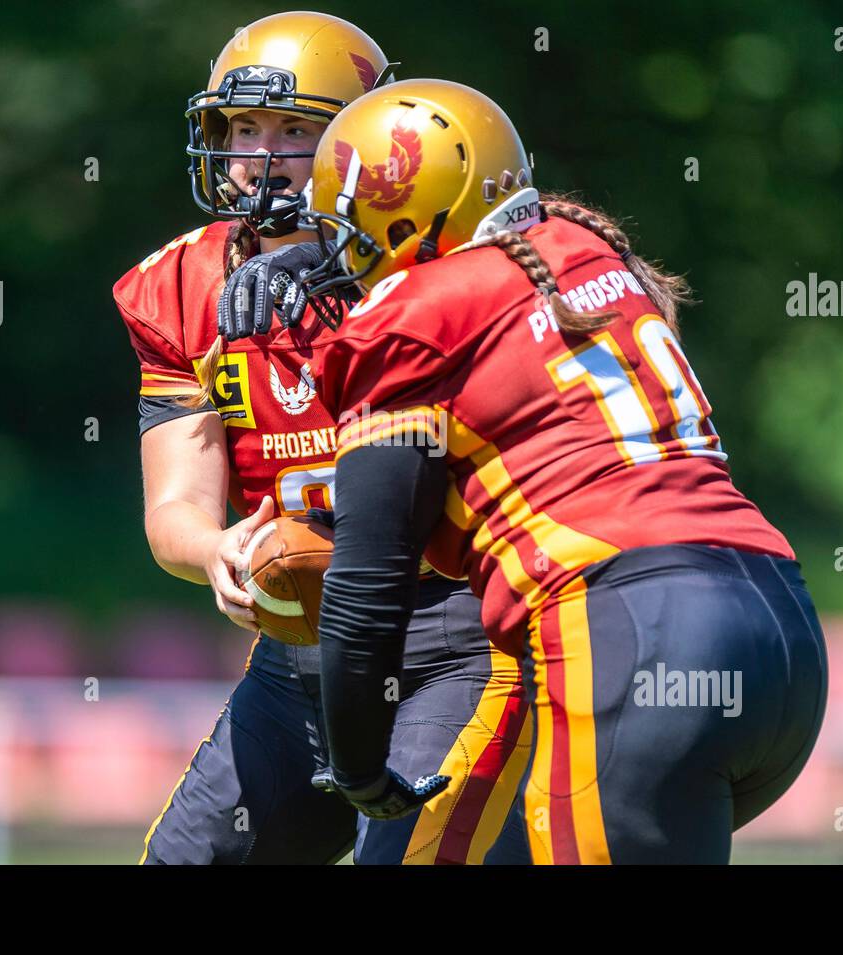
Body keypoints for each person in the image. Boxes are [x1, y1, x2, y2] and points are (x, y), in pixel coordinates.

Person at [292, 77, 829, 863]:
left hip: (629, 632)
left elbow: (367, 589)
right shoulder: (584, 251)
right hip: (777, 624)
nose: (338, 254)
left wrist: (358, 767)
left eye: (350, 227)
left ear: (409, 212)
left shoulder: (413, 313)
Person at [114, 15, 529, 865]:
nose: (261, 155)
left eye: (296, 129)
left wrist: (344, 280)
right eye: (243, 128)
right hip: (303, 643)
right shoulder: (181, 286)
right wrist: (218, 549)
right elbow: (174, 507)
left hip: (458, 633)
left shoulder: (433, 263)